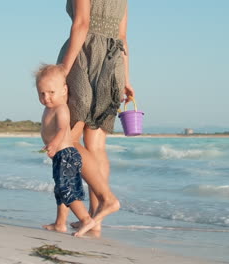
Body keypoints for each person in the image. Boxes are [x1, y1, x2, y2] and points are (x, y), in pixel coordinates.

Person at [56, 0, 134, 232]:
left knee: (67, 142)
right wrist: (126, 79)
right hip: (113, 64)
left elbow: (81, 24)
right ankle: (95, 220)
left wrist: (63, 71)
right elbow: (123, 36)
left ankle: (64, 220)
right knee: (96, 147)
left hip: (85, 58)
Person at [35, 64, 96, 237]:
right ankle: (60, 223)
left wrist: (53, 144)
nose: (46, 97)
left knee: (67, 189)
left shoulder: (61, 108)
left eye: (51, 93)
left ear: (64, 90)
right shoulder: (49, 109)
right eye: (42, 93)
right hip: (60, 156)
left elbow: (62, 129)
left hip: (66, 155)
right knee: (60, 189)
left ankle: (86, 219)